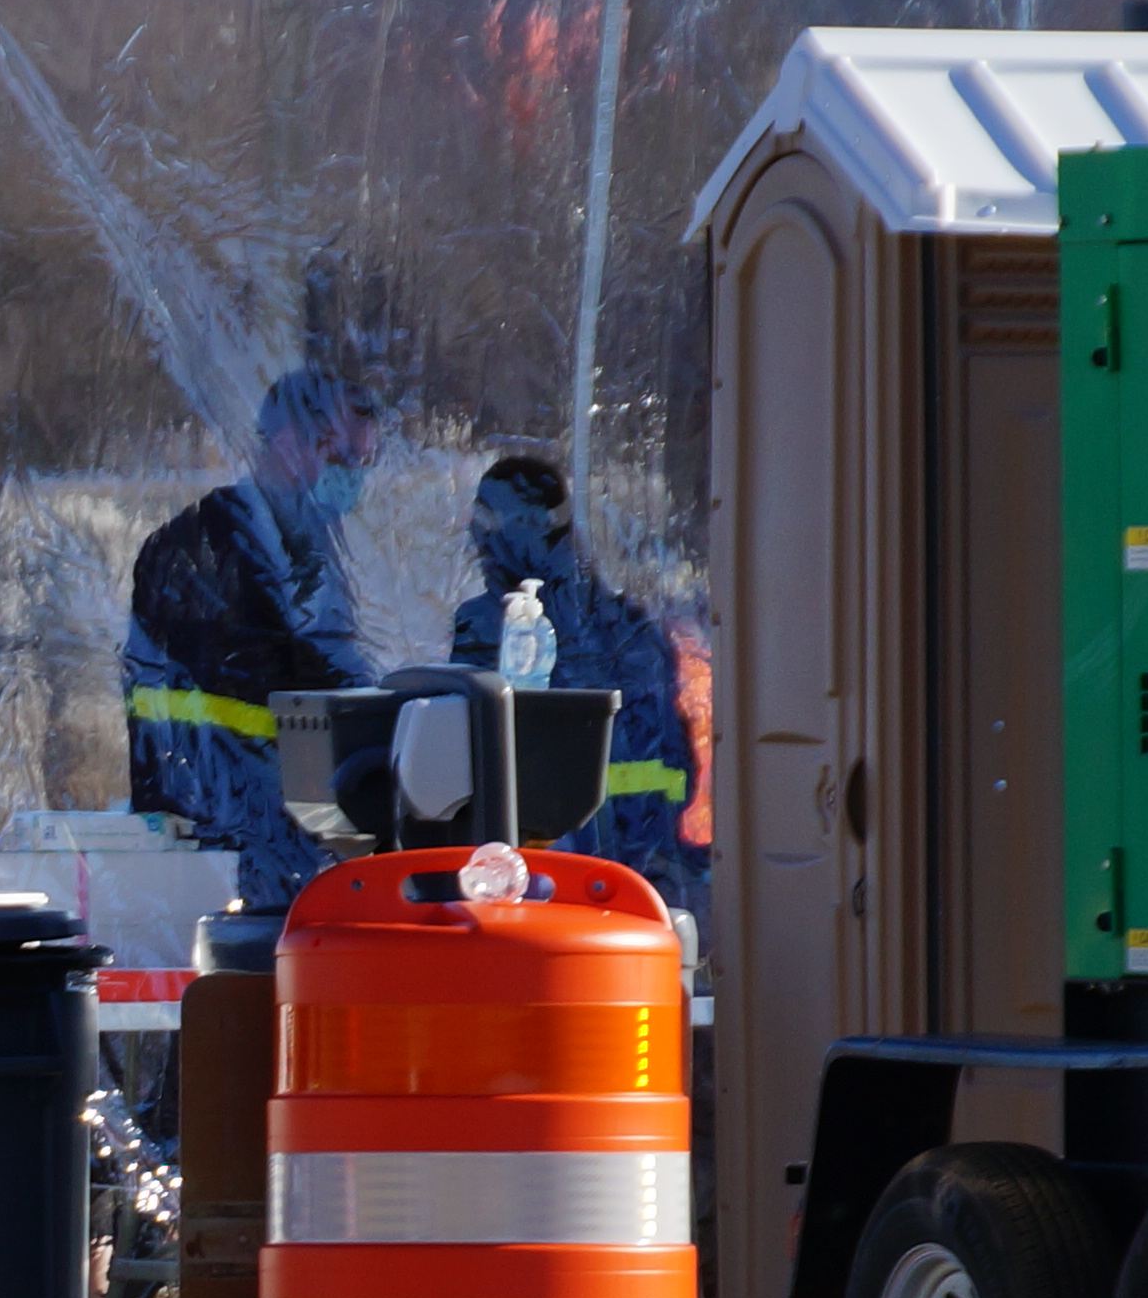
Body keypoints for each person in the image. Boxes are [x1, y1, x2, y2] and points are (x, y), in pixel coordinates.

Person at [121, 362, 384, 909]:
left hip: (285, 837)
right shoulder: (206, 548)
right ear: (287, 443)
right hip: (221, 842)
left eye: (363, 462)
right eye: (340, 458)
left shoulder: (311, 549)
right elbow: (282, 686)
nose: (352, 476)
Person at [447, 454, 710, 926]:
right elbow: (680, 771)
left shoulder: (490, 627)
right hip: (647, 885)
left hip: (552, 887)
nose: (475, 534)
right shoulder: (632, 624)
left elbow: (469, 765)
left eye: (484, 519)